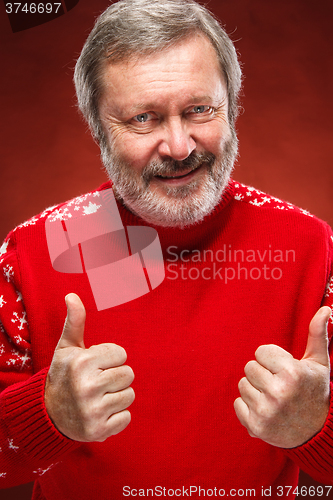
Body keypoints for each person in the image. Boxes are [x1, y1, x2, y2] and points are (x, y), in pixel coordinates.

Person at [0, 0, 332, 498]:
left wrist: (315, 432)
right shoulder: (28, 251)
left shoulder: (315, 248)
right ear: (97, 128)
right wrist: (45, 420)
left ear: (233, 105)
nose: (179, 147)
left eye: (200, 109)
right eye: (143, 118)